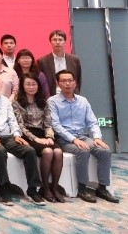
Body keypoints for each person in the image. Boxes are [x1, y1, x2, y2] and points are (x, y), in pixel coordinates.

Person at [0, 70, 45, 205]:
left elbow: (12, 120)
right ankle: (4, 189)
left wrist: (17, 135)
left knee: (29, 150)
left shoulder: (5, 100)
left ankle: (33, 189)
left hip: (7, 136)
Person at [48, 70, 118, 203]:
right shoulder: (52, 101)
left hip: (82, 137)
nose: (68, 83)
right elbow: (56, 126)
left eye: (70, 80)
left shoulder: (83, 101)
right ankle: (82, 188)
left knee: (105, 151)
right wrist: (73, 140)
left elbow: (92, 122)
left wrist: (97, 138)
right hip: (64, 139)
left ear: (75, 82)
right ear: (58, 83)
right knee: (83, 151)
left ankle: (102, 188)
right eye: (64, 81)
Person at [12, 75, 64, 203]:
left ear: (38, 86)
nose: (31, 87)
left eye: (34, 84)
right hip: (27, 135)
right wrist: (36, 139)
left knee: (58, 152)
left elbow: (48, 123)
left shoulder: (43, 102)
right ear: (22, 86)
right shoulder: (17, 102)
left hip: (43, 134)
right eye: (28, 84)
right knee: (48, 152)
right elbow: (20, 125)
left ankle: (55, 187)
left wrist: (49, 137)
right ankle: (45, 188)